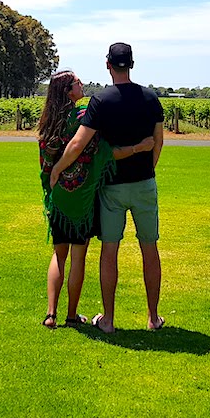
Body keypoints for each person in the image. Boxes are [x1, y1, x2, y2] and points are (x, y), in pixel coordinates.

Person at [49, 43, 165, 334]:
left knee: (109, 251)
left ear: (108, 64)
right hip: (144, 184)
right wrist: (146, 169)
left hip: (112, 188)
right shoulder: (151, 98)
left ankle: (109, 320)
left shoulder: (100, 101)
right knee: (149, 249)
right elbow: (158, 142)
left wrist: (57, 169)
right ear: (132, 64)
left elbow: (77, 144)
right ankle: (152, 318)